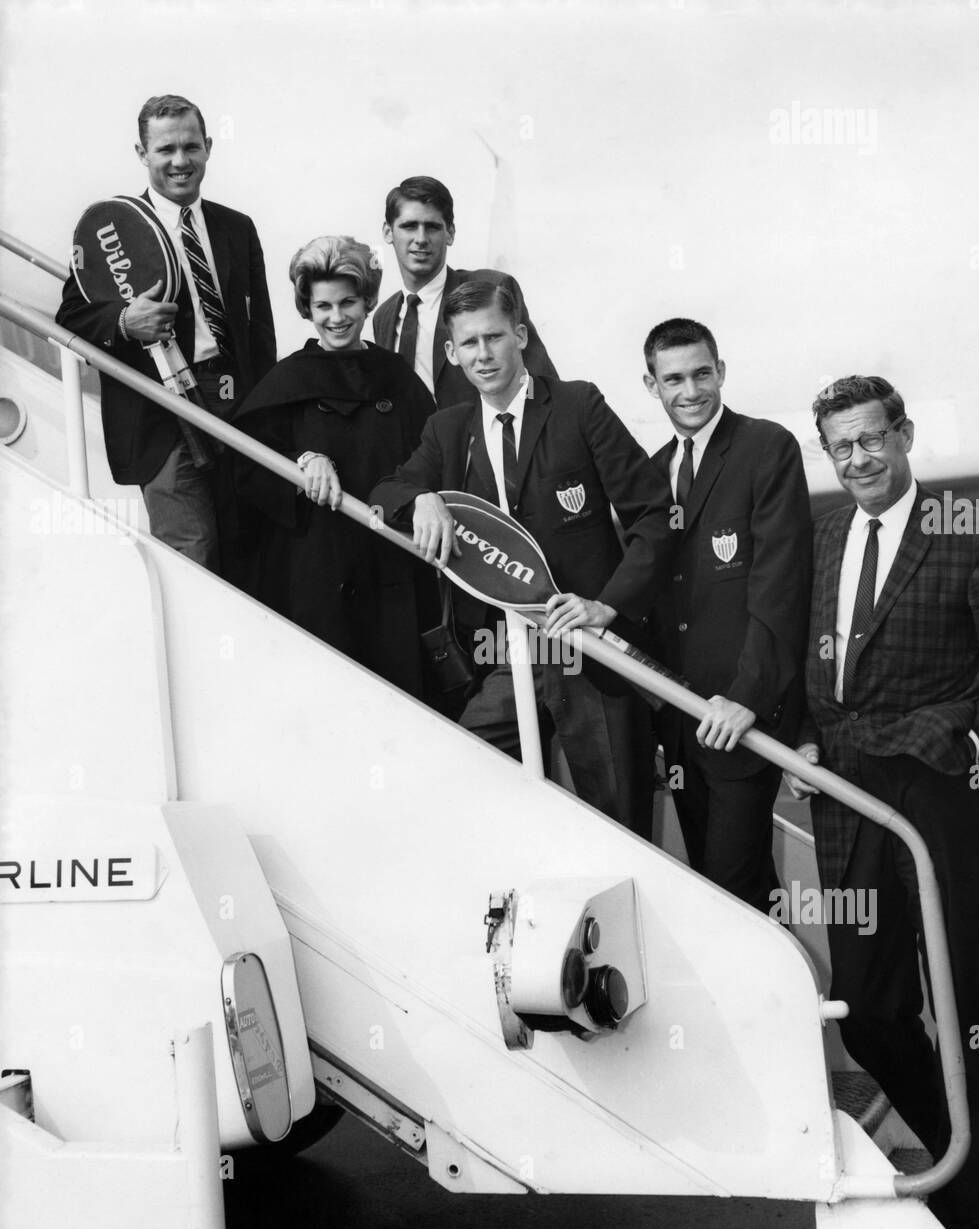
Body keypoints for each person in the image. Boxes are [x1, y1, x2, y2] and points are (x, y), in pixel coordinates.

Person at [785, 374, 979, 1229]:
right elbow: (817, 659)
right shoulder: (826, 537)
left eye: (871, 439)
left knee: (960, 999)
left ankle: (964, 1199)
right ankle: (955, 1145)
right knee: (865, 1005)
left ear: (902, 436)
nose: (858, 458)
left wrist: (971, 744)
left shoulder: (961, 534)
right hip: (849, 800)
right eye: (841, 446)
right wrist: (807, 741)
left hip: (936, 797)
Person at [370, 279, 674, 834]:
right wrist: (423, 497)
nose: (483, 355)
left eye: (494, 338)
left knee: (619, 826)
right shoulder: (448, 428)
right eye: (469, 344)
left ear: (521, 337)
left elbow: (653, 512)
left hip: (589, 653)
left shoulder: (579, 404)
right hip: (508, 654)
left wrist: (607, 605)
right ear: (451, 354)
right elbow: (387, 491)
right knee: (466, 771)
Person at [55, 93, 276, 584]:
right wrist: (122, 321)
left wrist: (268, 412)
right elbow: (70, 316)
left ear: (209, 147)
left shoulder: (236, 227)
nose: (181, 161)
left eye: (191, 147)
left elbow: (260, 333)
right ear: (142, 154)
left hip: (235, 407)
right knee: (191, 554)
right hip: (159, 417)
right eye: (166, 150)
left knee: (250, 550)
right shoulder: (111, 227)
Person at [641, 319, 812, 910]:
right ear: (652, 385)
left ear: (721, 372)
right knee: (736, 890)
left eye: (702, 374)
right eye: (674, 379)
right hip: (685, 719)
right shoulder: (653, 467)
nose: (690, 391)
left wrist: (748, 696)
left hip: (741, 714)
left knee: (730, 887)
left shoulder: (766, 446)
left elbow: (780, 587)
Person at [233, 237, 436, 699]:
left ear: (368, 301)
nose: (336, 317)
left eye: (348, 302)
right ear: (306, 308)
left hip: (392, 562)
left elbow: (432, 453)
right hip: (318, 567)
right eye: (322, 305)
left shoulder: (396, 376)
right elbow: (247, 466)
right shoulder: (287, 378)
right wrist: (302, 460)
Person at [366, 175, 556, 408]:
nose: (421, 239)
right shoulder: (383, 317)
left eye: (433, 227)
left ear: (450, 233)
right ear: (387, 232)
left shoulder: (492, 288)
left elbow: (541, 384)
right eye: (409, 226)